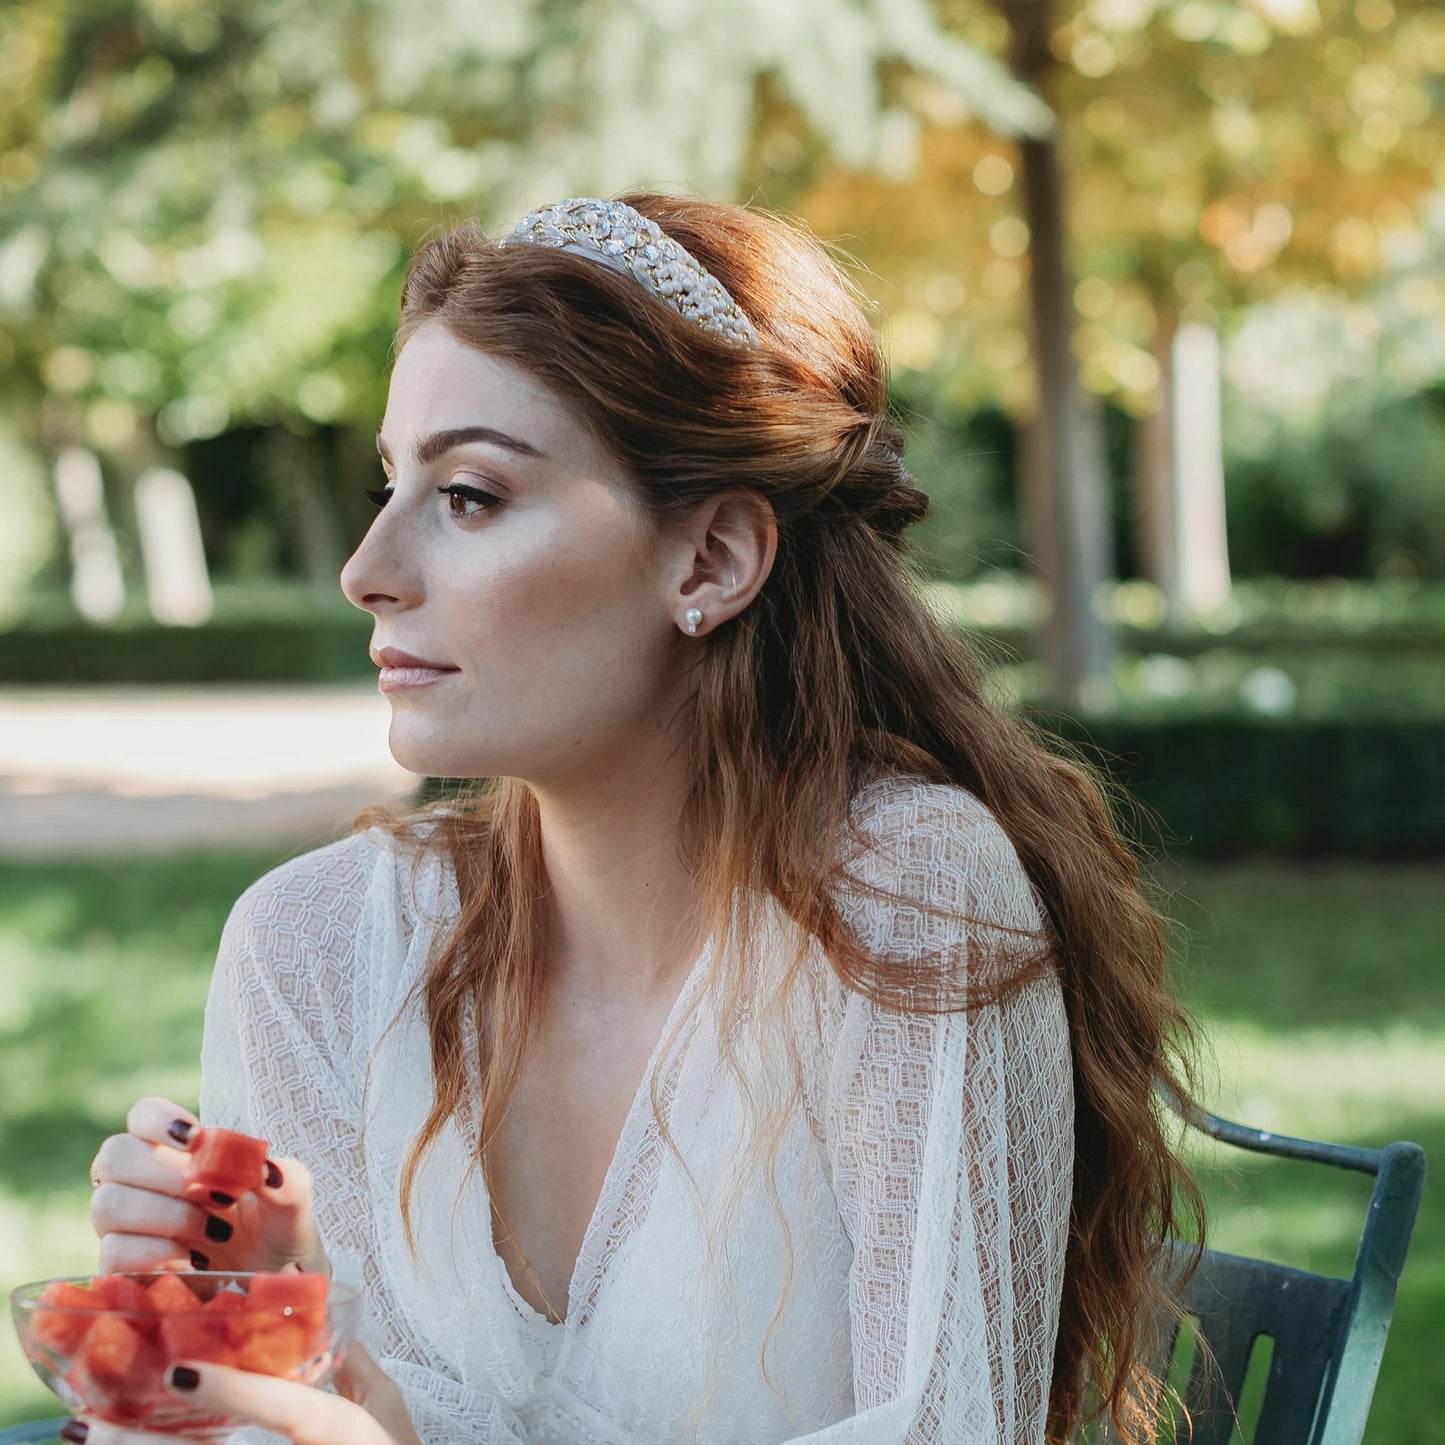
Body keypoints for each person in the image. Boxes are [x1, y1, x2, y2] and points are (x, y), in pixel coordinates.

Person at [81, 193, 1203, 1445]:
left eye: (470, 494)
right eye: (390, 484)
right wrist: (297, 1332)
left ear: (710, 560)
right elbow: (363, 1416)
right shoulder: (316, 949)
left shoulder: (906, 898)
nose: (368, 570)